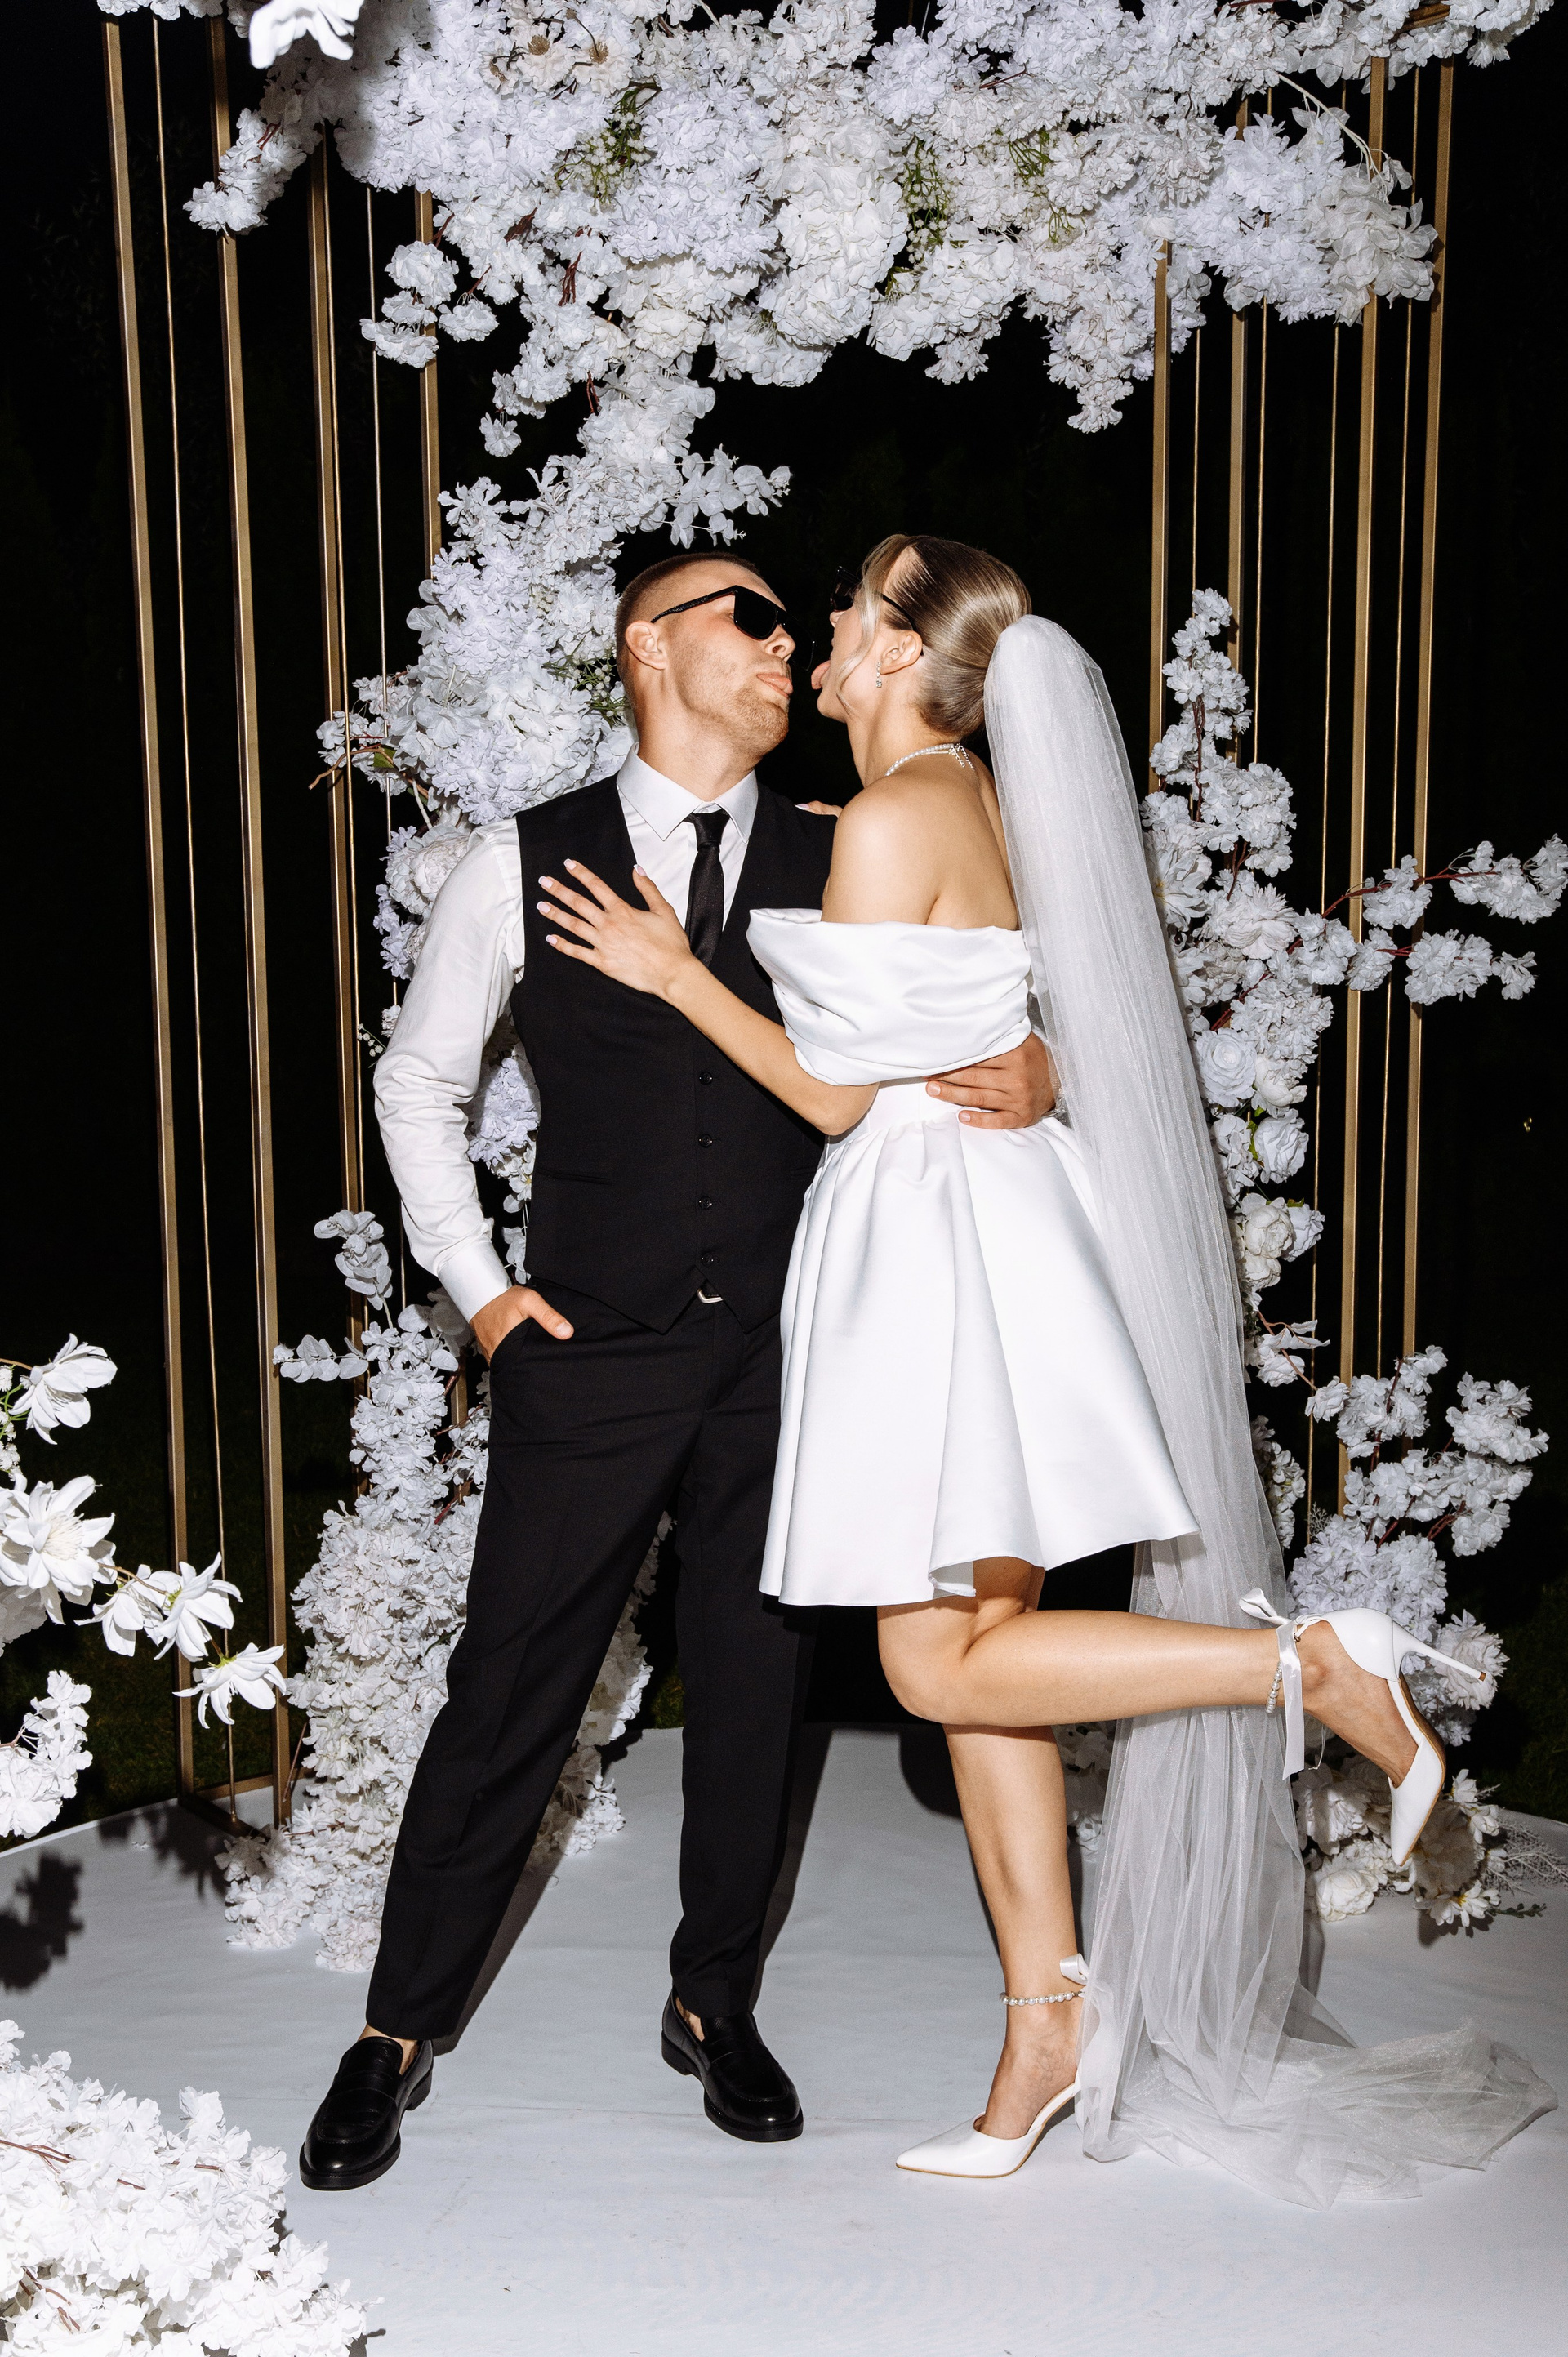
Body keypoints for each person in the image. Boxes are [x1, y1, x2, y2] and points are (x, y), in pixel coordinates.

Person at [533, 532, 1552, 2206]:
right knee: (980, 1660)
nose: (821, 629)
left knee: (932, 1662)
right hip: (989, 1224)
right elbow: (1017, 1009)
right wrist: (1044, 1058)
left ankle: (1306, 1666)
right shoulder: (970, 804)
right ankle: (1046, 2024)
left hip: (932, 1244)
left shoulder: (894, 815)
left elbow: (836, 1093)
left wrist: (674, 974)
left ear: (905, 656)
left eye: (848, 609)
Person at [298, 550, 1057, 2192]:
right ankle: (395, 2028)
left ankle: (716, 2001)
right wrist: (485, 1299)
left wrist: (1039, 1065)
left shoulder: (845, 844)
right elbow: (417, 1085)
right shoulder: (521, 860)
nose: (790, 646)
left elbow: (978, 1000)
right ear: (652, 646)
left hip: (796, 1350)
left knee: (756, 1690)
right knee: (509, 1685)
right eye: (753, 618)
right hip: (589, 1348)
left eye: (803, 626)